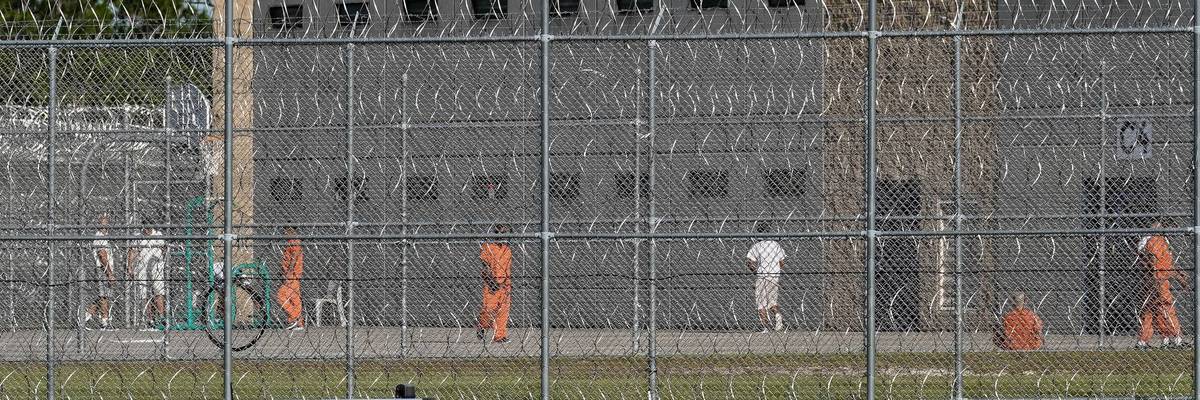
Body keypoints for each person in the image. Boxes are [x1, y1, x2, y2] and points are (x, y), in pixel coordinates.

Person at [1137, 220, 1188, 349]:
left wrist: (1178, 275)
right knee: (1166, 306)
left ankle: (1147, 340)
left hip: (1155, 279)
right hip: (1158, 279)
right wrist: (1156, 279)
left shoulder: (1156, 239)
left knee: (1152, 309)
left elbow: (1165, 264)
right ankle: (1177, 338)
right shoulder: (1156, 240)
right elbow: (1154, 261)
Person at [746, 222, 786, 333]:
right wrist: (776, 270)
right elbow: (781, 262)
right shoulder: (775, 245)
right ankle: (778, 317)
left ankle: (766, 327)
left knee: (761, 303)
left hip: (762, 276)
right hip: (774, 276)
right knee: (772, 301)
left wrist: (757, 271)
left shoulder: (757, 246)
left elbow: (749, 262)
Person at [477, 224, 513, 343]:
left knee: (503, 312)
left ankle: (500, 336)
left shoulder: (507, 249)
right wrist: (491, 280)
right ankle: (481, 325)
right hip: (491, 284)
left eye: (505, 233)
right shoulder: (488, 247)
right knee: (488, 309)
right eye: (500, 233)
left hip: (505, 285)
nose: (502, 236)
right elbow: (484, 266)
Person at [128, 224, 167, 329]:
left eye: (148, 228)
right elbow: (132, 251)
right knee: (144, 294)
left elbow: (164, 249)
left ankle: (162, 316)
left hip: (156, 268)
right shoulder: (138, 236)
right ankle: (150, 319)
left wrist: (162, 259)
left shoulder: (158, 235)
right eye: (144, 228)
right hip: (142, 268)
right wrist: (130, 266)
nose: (146, 230)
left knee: (158, 292)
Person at [85, 214, 117, 330]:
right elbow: (102, 256)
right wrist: (109, 273)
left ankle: (85, 316)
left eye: (106, 223)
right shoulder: (99, 237)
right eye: (103, 224)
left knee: (103, 296)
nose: (105, 226)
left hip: (107, 268)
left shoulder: (106, 237)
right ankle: (104, 321)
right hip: (102, 269)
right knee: (103, 296)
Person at [277, 226, 305, 330]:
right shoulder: (291, 241)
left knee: (281, 296)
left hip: (292, 275)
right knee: (295, 299)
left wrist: (288, 273)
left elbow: (294, 258)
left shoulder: (295, 242)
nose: (284, 233)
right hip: (292, 275)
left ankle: (294, 318)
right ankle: (298, 322)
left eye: (285, 230)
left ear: (291, 230)